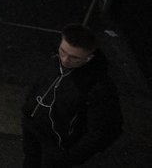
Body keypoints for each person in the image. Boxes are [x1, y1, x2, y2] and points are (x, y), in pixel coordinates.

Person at [21, 24, 123, 167]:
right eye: (62, 51)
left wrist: (69, 157)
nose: (65, 60)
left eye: (74, 57)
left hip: (58, 146)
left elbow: (105, 131)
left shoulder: (99, 87)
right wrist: (28, 112)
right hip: (33, 129)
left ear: (89, 57)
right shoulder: (55, 60)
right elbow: (40, 85)